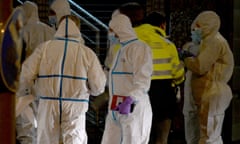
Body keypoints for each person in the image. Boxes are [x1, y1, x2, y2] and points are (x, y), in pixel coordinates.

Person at [16, 14, 106, 144]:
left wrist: (32, 90)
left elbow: (26, 75)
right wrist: (87, 91)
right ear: (78, 28)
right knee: (74, 140)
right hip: (75, 105)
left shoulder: (44, 48)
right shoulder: (87, 53)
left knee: (46, 140)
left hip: (48, 104)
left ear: (59, 27)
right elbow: (98, 87)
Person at [183, 11, 234, 144]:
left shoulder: (215, 42)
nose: (195, 30)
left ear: (207, 26)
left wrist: (186, 58)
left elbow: (200, 66)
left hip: (212, 94)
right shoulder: (208, 41)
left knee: (210, 136)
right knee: (207, 134)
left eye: (198, 26)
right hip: (208, 93)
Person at [101, 14, 153, 144]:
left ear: (120, 29)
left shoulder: (139, 48)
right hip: (116, 107)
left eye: (111, 30)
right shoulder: (121, 50)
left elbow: (143, 81)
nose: (110, 33)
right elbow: (116, 78)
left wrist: (131, 99)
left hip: (133, 109)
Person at [134, 11, 185, 144]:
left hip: (135, 93)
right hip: (163, 95)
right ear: (162, 25)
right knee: (161, 137)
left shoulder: (128, 41)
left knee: (136, 136)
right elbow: (178, 75)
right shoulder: (167, 45)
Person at [15, 1, 56, 144]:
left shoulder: (23, 31)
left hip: (27, 82)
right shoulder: (51, 31)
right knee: (44, 122)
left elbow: (17, 56)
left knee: (26, 122)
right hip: (48, 83)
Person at [181, 41, 200, 144]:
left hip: (205, 91)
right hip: (191, 91)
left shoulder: (213, 45)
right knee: (190, 116)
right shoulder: (189, 46)